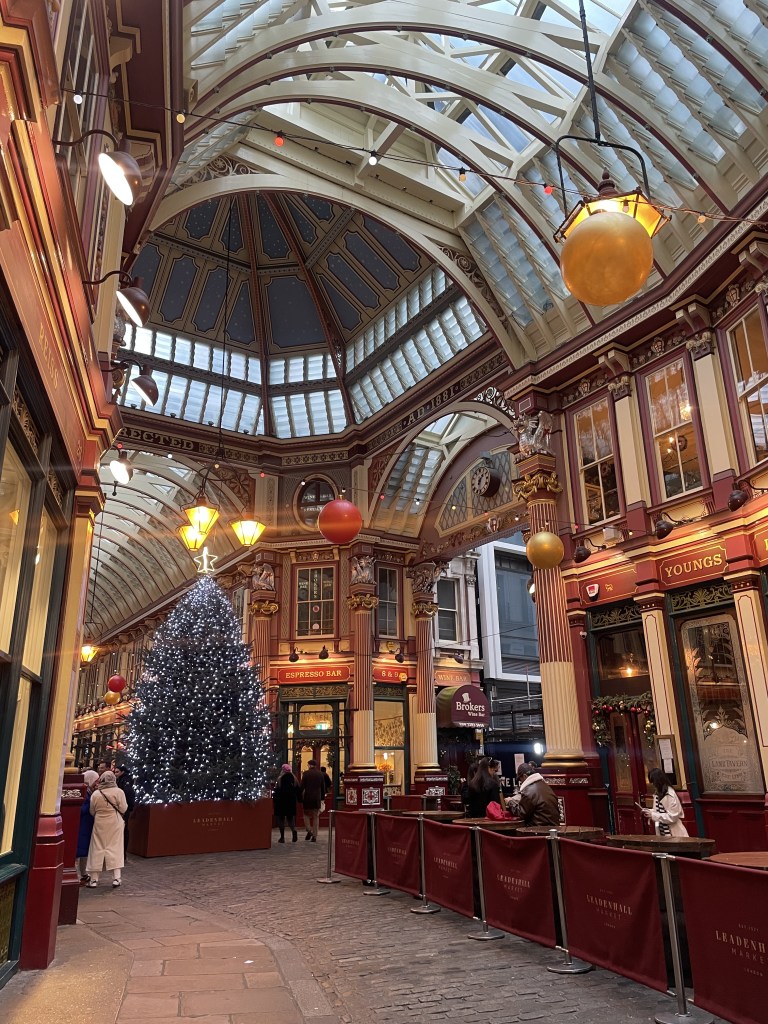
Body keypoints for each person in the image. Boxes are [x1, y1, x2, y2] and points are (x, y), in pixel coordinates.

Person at [85, 770, 128, 888]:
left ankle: (94, 879)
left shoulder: (96, 794)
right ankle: (116, 878)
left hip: (99, 823)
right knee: (115, 848)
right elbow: (123, 808)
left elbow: (92, 810)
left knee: (97, 848)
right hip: (115, 823)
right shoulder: (119, 792)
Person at [509, 762, 560, 826]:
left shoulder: (529, 791)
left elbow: (521, 813)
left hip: (539, 829)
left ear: (525, 776)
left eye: (520, 779)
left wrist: (510, 802)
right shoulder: (544, 785)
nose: (521, 782)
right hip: (552, 826)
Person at [643, 768, 688, 837]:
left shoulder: (670, 794)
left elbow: (672, 817)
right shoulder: (657, 794)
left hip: (673, 833)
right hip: (662, 832)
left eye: (653, 782)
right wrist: (649, 811)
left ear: (658, 781)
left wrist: (653, 815)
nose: (652, 784)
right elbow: (658, 810)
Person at [76, 770, 100, 883]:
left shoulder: (89, 791)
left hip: (86, 825)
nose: (97, 783)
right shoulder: (85, 792)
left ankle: (83, 873)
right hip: (83, 825)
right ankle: (79, 875)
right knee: (80, 850)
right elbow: (81, 809)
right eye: (96, 780)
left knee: (84, 851)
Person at [273, 764, 299, 843]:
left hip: (281, 802)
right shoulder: (294, 779)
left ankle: (282, 837)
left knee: (281, 819)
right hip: (291, 802)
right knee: (290, 819)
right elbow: (298, 790)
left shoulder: (280, 779)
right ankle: (294, 831)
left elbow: (277, 791)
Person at [300, 759, 324, 842]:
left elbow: (302, 786)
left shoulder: (306, 774)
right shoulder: (320, 774)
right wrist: (322, 798)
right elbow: (323, 787)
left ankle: (309, 830)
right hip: (317, 798)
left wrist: (299, 796)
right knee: (316, 817)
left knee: (306, 815)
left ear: (310, 765)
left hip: (307, 797)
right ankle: (315, 835)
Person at [114, 764, 136, 856]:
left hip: (124, 809)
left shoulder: (125, 781)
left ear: (122, 772)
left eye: (117, 772)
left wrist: (128, 808)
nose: (115, 774)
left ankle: (122, 853)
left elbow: (128, 794)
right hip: (123, 808)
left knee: (123, 829)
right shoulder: (120, 780)